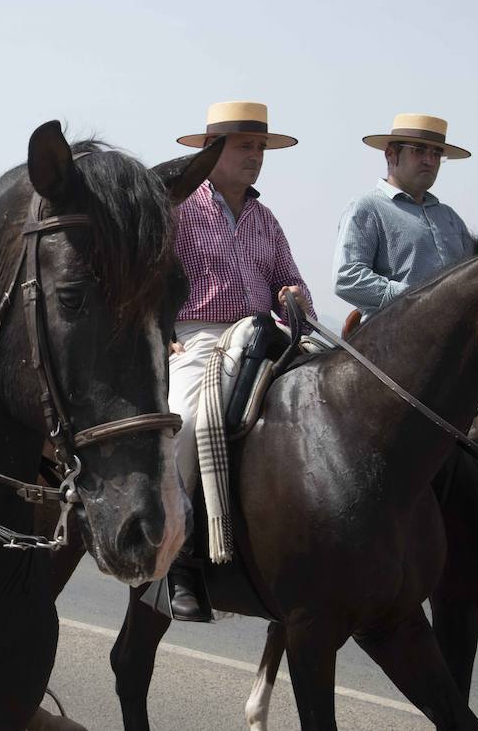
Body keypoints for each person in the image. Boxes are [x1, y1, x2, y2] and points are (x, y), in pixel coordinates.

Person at [166, 101, 314, 620]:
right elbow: (147, 280)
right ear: (211, 151)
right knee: (186, 422)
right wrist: (161, 333)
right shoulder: (180, 209)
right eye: (243, 146)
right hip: (199, 333)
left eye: (260, 148)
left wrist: (294, 294)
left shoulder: (265, 219)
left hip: (263, 331)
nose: (255, 157)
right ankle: (179, 558)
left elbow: (288, 278)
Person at [333, 113, 473, 318]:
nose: (429, 160)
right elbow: (348, 278)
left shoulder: (450, 217)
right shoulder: (367, 208)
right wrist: (420, 297)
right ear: (391, 154)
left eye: (436, 154)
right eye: (419, 151)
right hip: (394, 337)